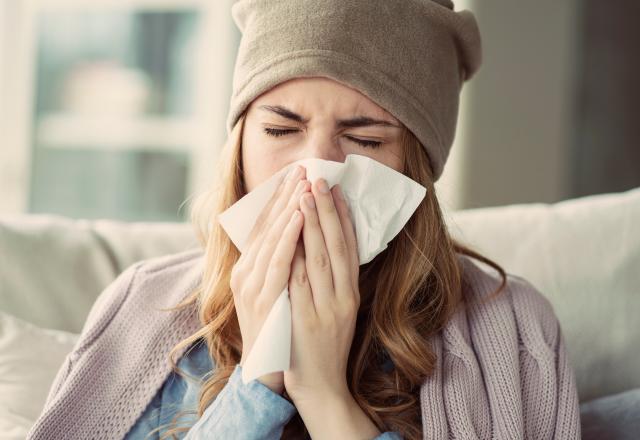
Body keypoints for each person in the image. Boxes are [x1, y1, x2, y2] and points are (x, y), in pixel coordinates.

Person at [27, 0, 582, 439]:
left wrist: (323, 394)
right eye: (280, 130)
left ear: (419, 170)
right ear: (240, 142)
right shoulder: (141, 304)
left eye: (365, 139)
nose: (315, 174)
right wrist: (258, 380)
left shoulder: (516, 332)